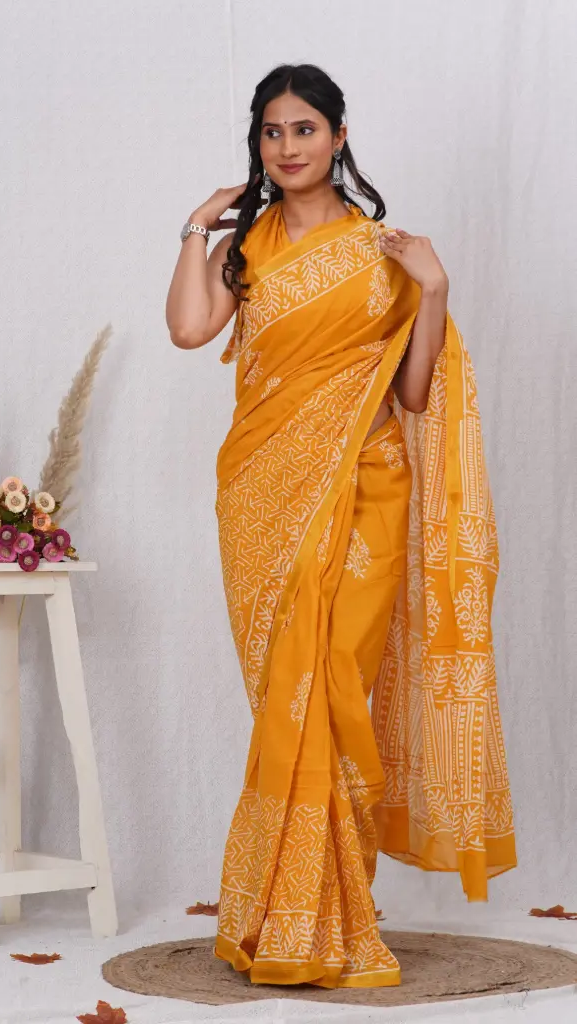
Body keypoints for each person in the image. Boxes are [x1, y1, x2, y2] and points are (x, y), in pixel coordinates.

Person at [165, 62, 516, 990]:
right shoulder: (247, 248)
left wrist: (434, 291)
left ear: (339, 136)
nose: (288, 147)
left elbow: (414, 393)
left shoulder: (383, 252)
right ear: (259, 142)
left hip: (366, 493)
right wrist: (198, 226)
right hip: (262, 498)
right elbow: (190, 330)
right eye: (273, 131)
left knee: (338, 696)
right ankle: (286, 918)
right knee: (288, 693)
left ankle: (332, 914)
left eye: (305, 129)